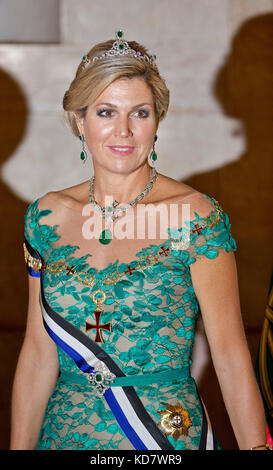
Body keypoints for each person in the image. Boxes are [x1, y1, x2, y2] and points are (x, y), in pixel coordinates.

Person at [10, 30, 269, 451]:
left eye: (140, 113)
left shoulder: (196, 216)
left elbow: (229, 353)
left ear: (157, 120)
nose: (124, 131)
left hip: (163, 436)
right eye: (106, 112)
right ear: (80, 120)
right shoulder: (45, 218)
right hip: (64, 435)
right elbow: (39, 352)